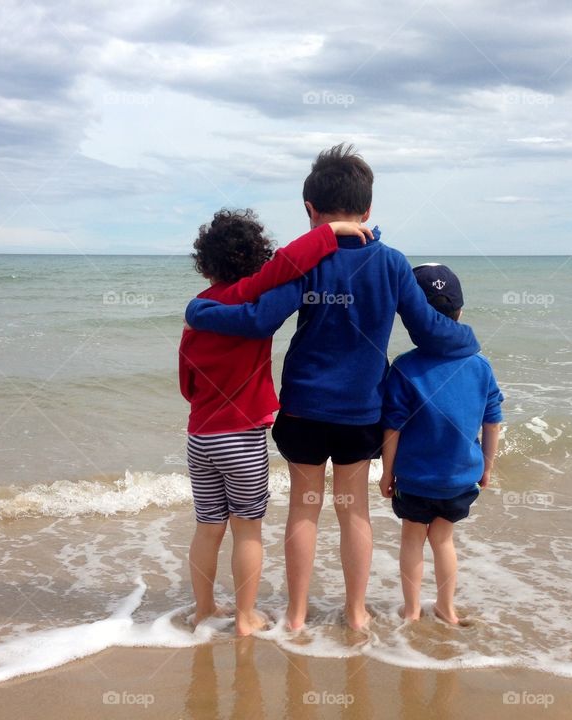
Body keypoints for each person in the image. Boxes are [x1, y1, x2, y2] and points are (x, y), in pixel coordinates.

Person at [184, 145, 481, 631]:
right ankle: (357, 613)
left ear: (310, 212)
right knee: (353, 512)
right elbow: (427, 329)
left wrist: (200, 311)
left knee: (304, 510)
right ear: (367, 211)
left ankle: (297, 616)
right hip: (361, 412)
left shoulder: (308, 261)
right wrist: (468, 339)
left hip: (303, 407)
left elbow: (259, 320)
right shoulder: (391, 263)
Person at [179, 207, 372, 636]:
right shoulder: (256, 295)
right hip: (242, 437)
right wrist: (333, 234)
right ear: (256, 261)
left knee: (208, 527)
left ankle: (204, 609)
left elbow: (186, 383)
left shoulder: (199, 309)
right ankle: (246, 617)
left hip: (200, 437)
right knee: (247, 531)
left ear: (205, 263)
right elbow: (288, 267)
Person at [379, 263, 503, 625]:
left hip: (416, 479)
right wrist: (487, 465)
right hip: (459, 479)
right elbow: (493, 418)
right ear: (460, 312)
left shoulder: (405, 367)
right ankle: (446, 607)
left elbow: (392, 426)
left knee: (412, 540)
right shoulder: (480, 366)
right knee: (443, 541)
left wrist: (387, 472)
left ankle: (412, 610)